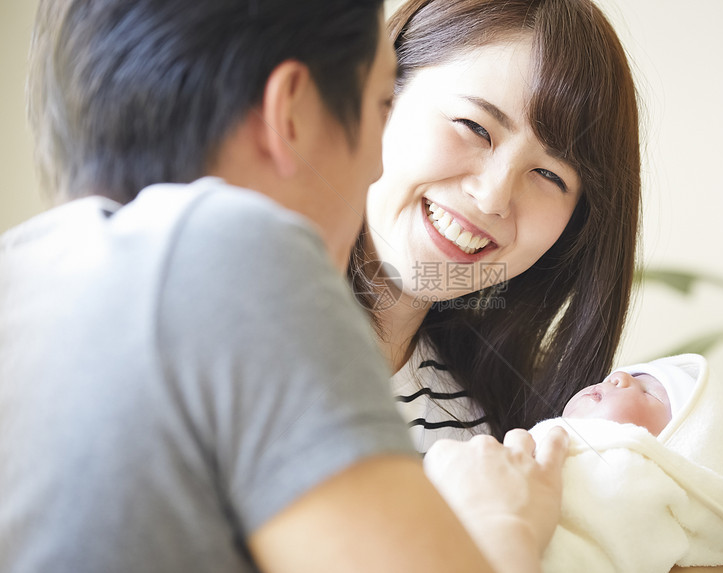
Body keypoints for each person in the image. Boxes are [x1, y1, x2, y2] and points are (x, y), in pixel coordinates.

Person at [0, 1, 571, 572]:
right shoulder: (231, 249)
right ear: (289, 112)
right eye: (379, 106)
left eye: (551, 173)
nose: (375, 163)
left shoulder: (28, 271)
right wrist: (499, 529)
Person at [351, 0, 641, 449]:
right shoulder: (227, 309)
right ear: (381, 95)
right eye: (474, 126)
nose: (493, 197)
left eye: (549, 175)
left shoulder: (507, 439)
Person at [527, 354, 723, 573]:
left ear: (672, 452)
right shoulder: (539, 433)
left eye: (649, 393)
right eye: (630, 375)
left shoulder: (640, 482)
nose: (620, 377)